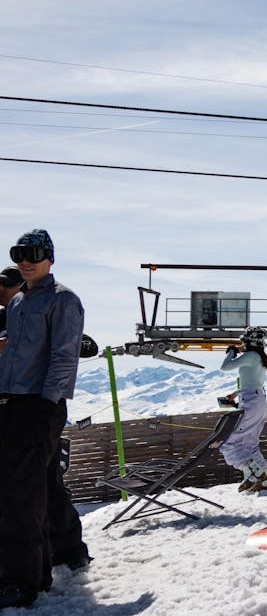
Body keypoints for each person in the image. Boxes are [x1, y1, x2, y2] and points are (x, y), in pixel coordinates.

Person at [0, 230, 87, 608]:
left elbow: (64, 357)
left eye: (33, 253)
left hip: (39, 405)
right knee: (35, 486)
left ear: (50, 257)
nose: (25, 260)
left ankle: (24, 581)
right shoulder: (17, 302)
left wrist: (46, 405)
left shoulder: (63, 300)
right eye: (19, 253)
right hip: (11, 403)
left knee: (21, 495)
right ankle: (53, 558)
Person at [220, 326, 267, 493]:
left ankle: (258, 476)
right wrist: (236, 394)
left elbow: (225, 367)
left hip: (250, 402)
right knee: (249, 444)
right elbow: (253, 383)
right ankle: (261, 479)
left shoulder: (250, 356)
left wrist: (231, 351)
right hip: (258, 400)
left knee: (229, 442)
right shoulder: (259, 357)